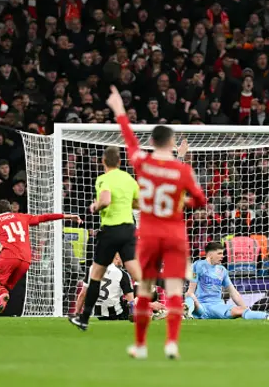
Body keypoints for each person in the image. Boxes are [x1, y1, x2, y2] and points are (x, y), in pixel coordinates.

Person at [106, 85, 207, 360]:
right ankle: (172, 343)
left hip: (149, 235)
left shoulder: (142, 163)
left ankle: (140, 346)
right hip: (175, 234)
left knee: (145, 289)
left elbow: (129, 142)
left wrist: (119, 111)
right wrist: (182, 202)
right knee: (174, 289)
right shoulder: (182, 169)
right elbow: (201, 200)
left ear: (153, 141)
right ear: (172, 143)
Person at [69, 145, 142, 331]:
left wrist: (95, 206)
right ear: (119, 162)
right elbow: (138, 203)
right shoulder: (129, 179)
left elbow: (106, 200)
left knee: (96, 274)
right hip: (129, 229)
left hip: (111, 230)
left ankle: (83, 319)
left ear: (103, 162)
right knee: (135, 271)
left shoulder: (103, 179)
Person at [0, 200, 82, 321]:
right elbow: (44, 217)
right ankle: (3, 294)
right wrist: (67, 216)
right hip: (26, 260)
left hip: (8, 257)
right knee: (0, 283)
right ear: (11, 209)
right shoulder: (22, 217)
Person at [184, 242, 269, 321]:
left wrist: (245, 308)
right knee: (190, 296)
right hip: (200, 306)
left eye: (222, 253)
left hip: (217, 307)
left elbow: (233, 293)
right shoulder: (198, 266)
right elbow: (190, 291)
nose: (222, 256)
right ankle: (186, 311)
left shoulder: (222, 270)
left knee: (240, 310)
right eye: (219, 253)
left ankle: (268, 315)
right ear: (210, 255)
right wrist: (193, 302)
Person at [74, 254, 135, 321]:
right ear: (117, 258)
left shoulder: (92, 268)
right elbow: (130, 299)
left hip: (96, 313)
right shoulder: (122, 274)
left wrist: (76, 313)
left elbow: (83, 294)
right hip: (115, 313)